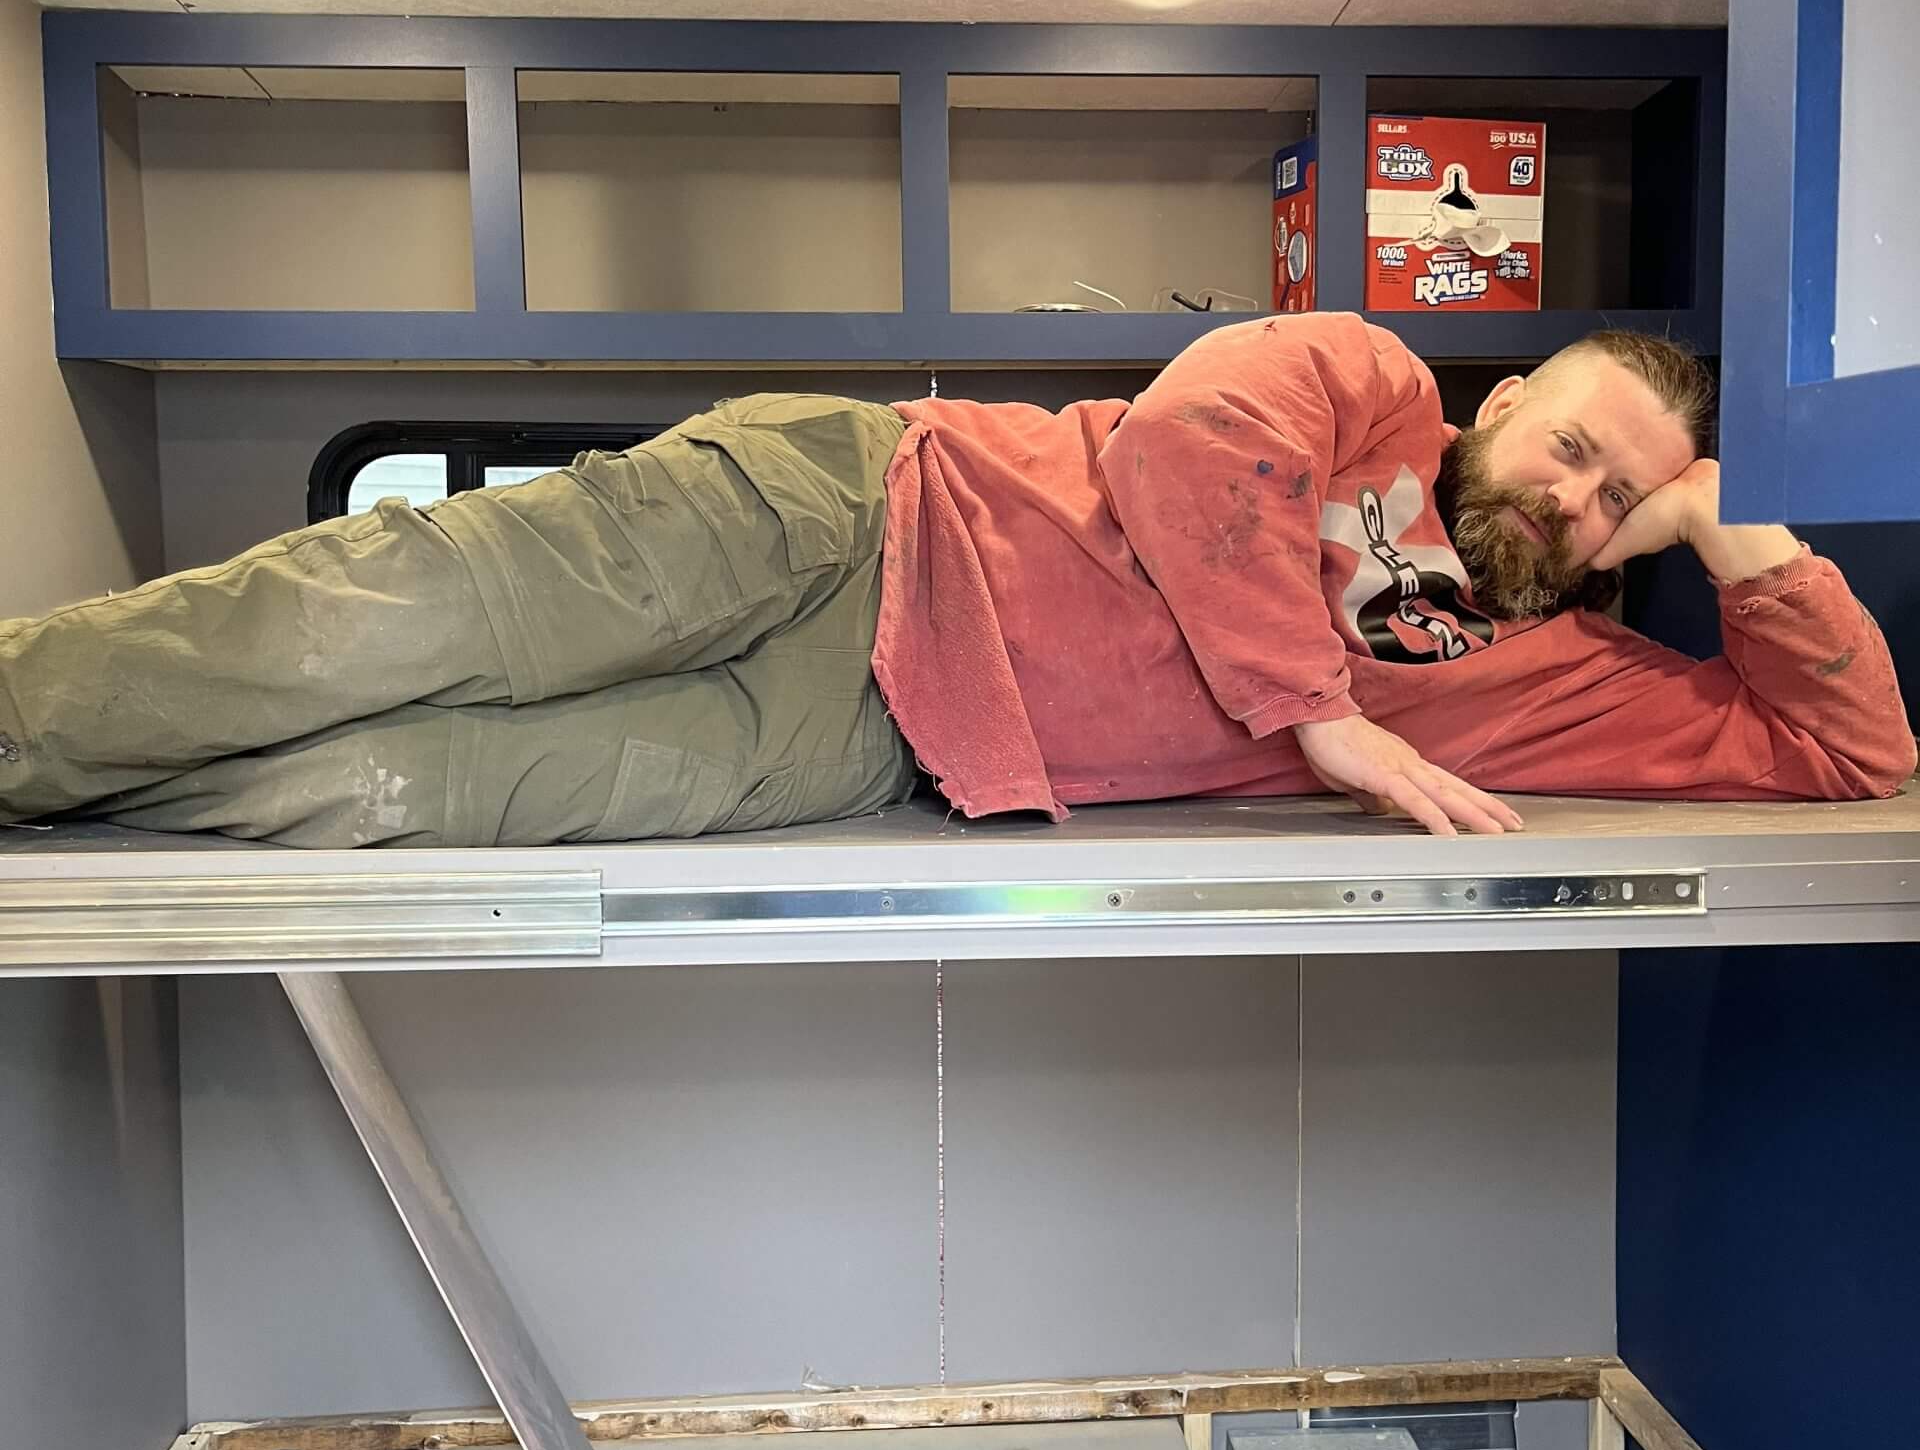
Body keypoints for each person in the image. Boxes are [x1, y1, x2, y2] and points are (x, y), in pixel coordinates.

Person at [0, 315, 1910, 847]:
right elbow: (1192, 439)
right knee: (381, 619)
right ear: (1504, 410)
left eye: (1620, 501)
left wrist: (1735, 526)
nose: (1575, 501)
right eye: (1571, 449)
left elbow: (1853, 761)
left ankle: (46, 796)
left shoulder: (1558, 683)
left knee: (407, 791)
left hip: (893, 743)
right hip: (850, 512)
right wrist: (1320, 719)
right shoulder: (1377, 389)